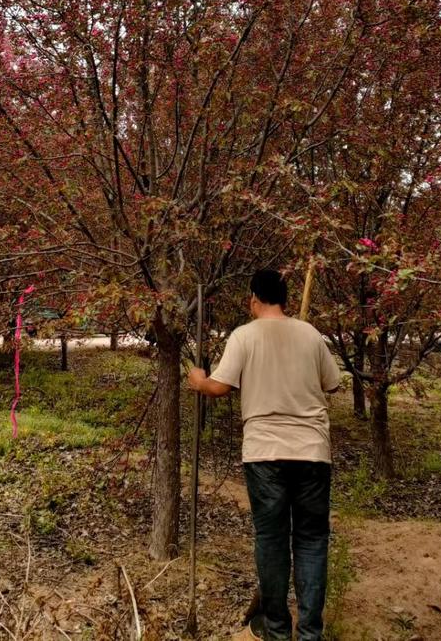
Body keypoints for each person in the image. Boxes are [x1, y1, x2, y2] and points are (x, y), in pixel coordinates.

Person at [187, 268, 341, 641]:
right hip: (312, 452)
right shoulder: (310, 335)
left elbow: (220, 387)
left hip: (264, 454)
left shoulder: (244, 335)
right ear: (285, 299)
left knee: (271, 540)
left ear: (253, 299)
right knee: (311, 539)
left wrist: (197, 379)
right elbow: (333, 384)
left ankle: (275, 631)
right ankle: (309, 633)